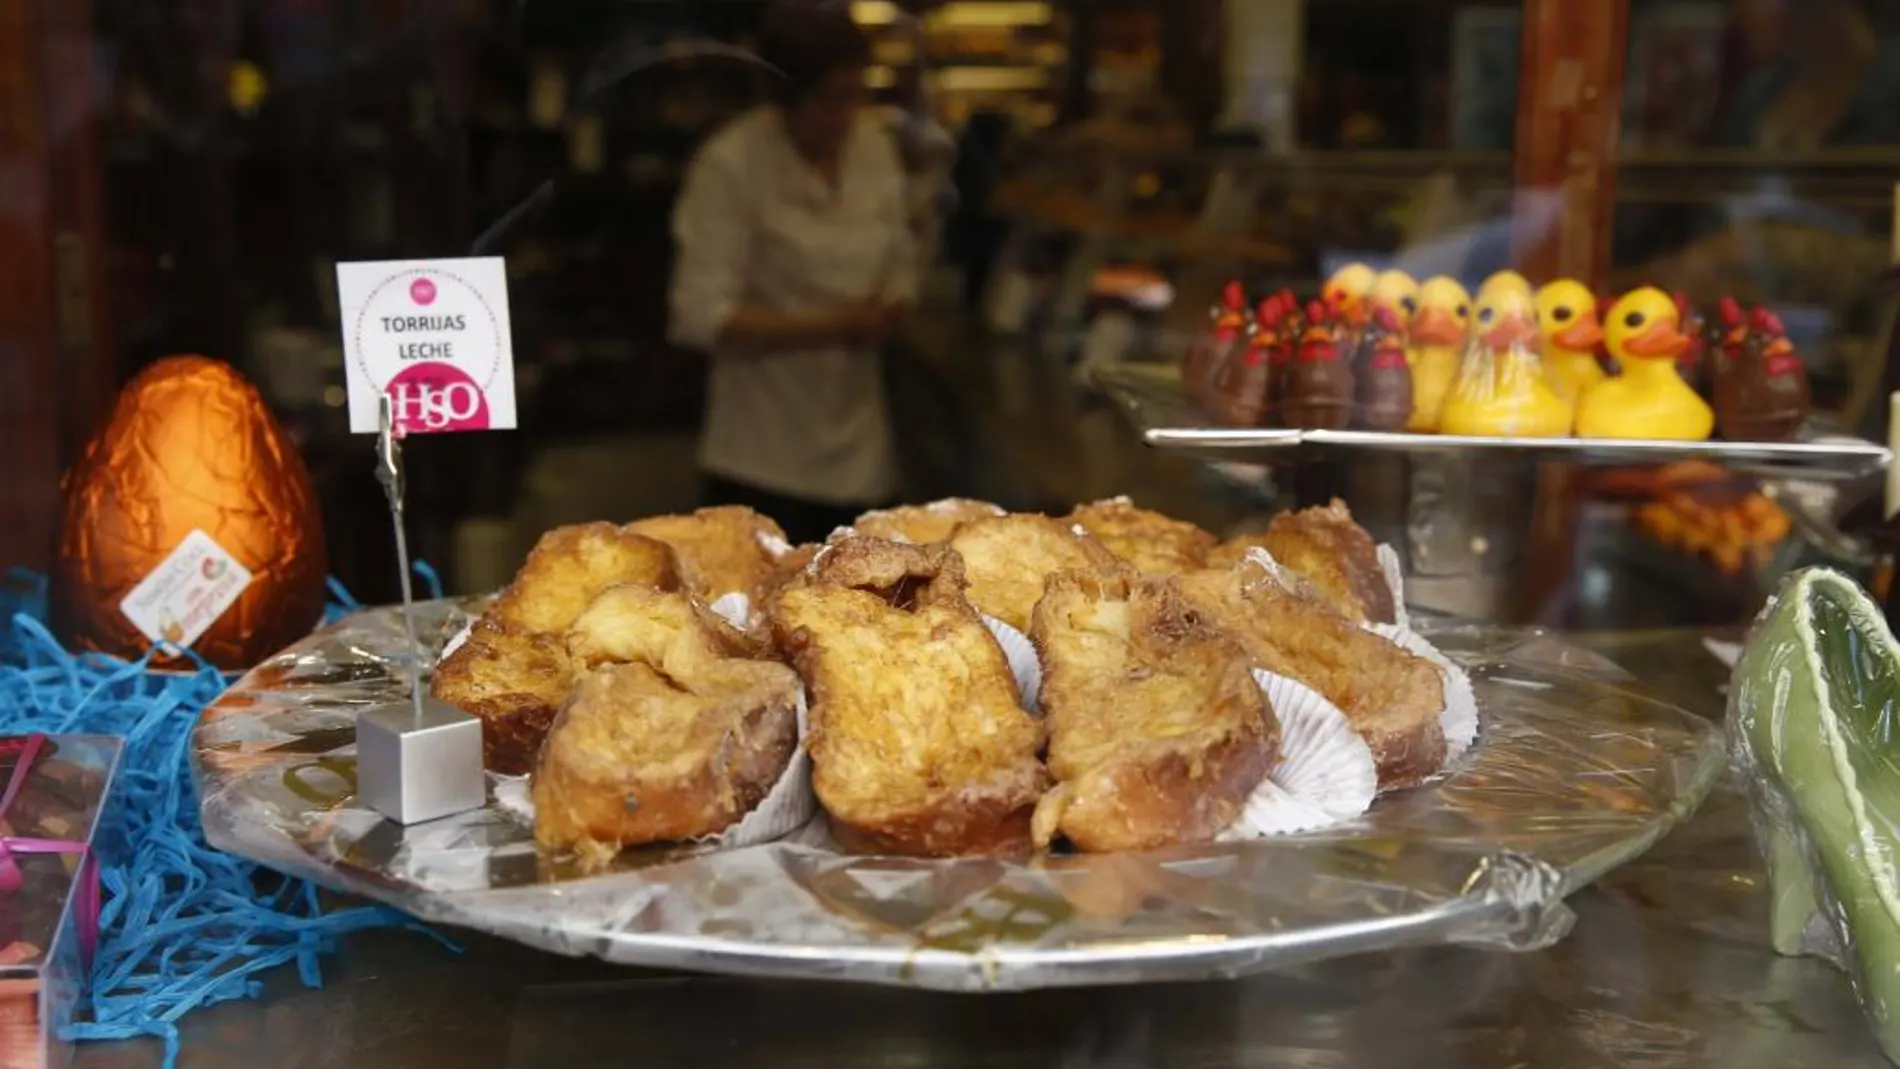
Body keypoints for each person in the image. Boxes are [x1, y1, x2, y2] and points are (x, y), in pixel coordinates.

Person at [669, 1, 915, 544]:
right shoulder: (731, 162)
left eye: (854, 97)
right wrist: (832, 326)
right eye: (828, 100)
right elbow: (700, 315)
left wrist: (891, 306)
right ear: (783, 97)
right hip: (761, 454)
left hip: (861, 449)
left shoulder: (872, 148)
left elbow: (900, 261)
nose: (843, 116)